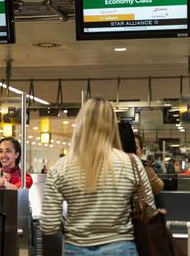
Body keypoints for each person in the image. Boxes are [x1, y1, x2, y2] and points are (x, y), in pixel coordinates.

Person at [41, 98, 155, 256]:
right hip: (120, 248)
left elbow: (49, 225)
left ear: (81, 125)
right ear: (111, 125)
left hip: (76, 248)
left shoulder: (60, 167)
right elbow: (149, 208)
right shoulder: (130, 162)